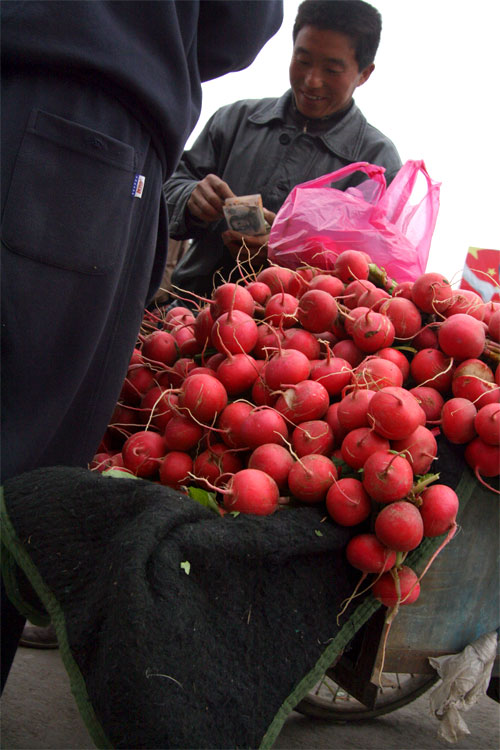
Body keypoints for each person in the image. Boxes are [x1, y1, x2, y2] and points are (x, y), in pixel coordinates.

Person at [1, 0, 283, 687]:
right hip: (83, 135)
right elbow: (240, 23)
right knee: (22, 458)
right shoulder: (237, 119)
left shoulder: (370, 154)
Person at [164, 0, 402, 303]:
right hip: (189, 311)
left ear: (364, 74)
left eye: (331, 69)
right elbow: (166, 185)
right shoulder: (235, 120)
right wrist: (190, 198)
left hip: (296, 340)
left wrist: (285, 252)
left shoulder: (377, 165)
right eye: (303, 61)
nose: (312, 80)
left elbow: (374, 275)